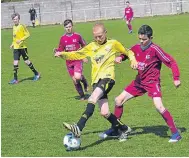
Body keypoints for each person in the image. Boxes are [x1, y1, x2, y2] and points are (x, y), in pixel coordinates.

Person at [54, 23, 138, 141]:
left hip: (108, 78)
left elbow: (128, 51)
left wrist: (132, 60)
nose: (98, 39)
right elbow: (77, 54)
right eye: (95, 37)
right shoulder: (91, 46)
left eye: (100, 36)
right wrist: (62, 54)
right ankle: (123, 129)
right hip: (96, 81)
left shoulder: (113, 43)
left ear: (105, 33)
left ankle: (79, 126)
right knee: (105, 112)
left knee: (92, 98)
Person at [100, 25, 182, 143]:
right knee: (118, 100)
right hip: (139, 82)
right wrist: (120, 58)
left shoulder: (155, 49)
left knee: (159, 107)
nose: (141, 41)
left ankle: (175, 133)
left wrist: (176, 78)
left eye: (144, 39)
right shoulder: (136, 47)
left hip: (152, 83)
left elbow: (171, 61)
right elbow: (128, 53)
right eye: (140, 39)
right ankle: (115, 129)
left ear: (151, 37)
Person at [54, 19, 89, 100]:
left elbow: (85, 46)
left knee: (77, 77)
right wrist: (57, 53)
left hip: (77, 59)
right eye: (66, 27)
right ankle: (82, 96)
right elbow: (61, 49)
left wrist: (83, 56)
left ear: (72, 26)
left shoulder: (77, 36)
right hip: (69, 61)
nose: (68, 28)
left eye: (70, 26)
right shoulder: (62, 38)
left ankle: (85, 82)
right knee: (75, 80)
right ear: (64, 28)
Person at [9, 13, 40, 84]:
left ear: (19, 19)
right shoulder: (13, 27)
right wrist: (12, 44)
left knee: (26, 62)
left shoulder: (22, 26)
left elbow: (28, 34)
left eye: (16, 19)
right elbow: (14, 37)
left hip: (22, 47)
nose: (15, 20)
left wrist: (21, 40)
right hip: (16, 48)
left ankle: (36, 74)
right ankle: (15, 79)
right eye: (14, 19)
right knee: (15, 62)